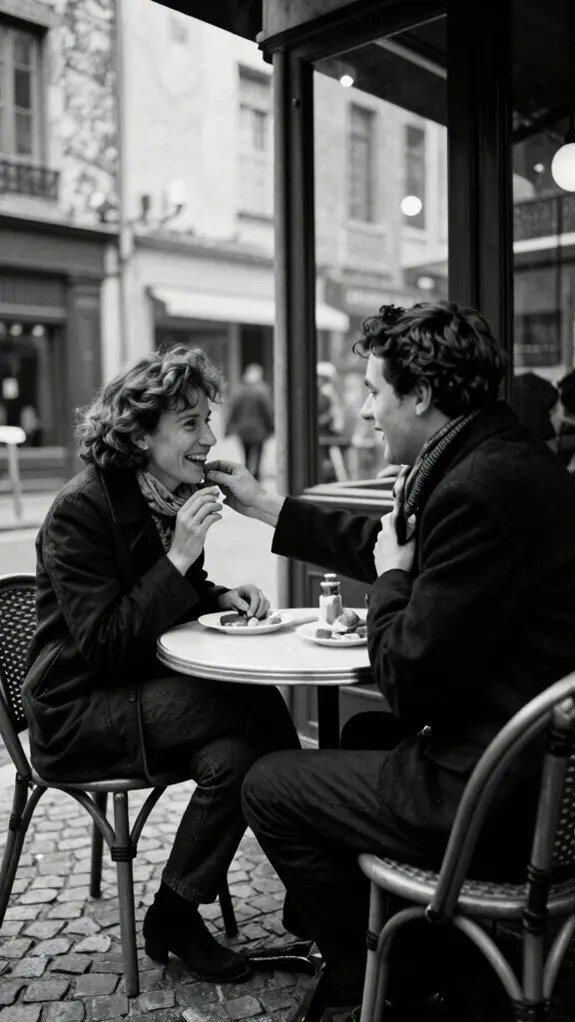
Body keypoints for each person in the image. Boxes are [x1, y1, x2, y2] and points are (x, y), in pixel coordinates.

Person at [206, 301, 575, 1019]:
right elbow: (386, 543)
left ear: (421, 394)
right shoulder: (498, 456)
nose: (366, 410)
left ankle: (381, 986)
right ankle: (399, 944)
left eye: (375, 391)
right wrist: (266, 505)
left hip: (498, 799)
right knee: (360, 736)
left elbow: (406, 678)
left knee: (268, 783)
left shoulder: (476, 487)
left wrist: (393, 582)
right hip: (530, 770)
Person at [22, 345, 300, 985]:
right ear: (142, 436)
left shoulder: (167, 495)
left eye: (208, 420)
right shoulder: (79, 510)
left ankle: (173, 914)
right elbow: (105, 643)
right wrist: (178, 558)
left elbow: (176, 596)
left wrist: (219, 596)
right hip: (78, 709)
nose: (210, 438)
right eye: (191, 424)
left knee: (234, 758)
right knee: (252, 702)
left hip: (136, 691)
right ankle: (317, 888)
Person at [225, 363, 274, 481]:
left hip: (243, 429)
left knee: (246, 453)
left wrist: (228, 428)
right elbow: (267, 411)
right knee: (258, 453)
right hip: (258, 429)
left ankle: (247, 473)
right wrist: (270, 426)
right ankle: (256, 475)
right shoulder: (262, 392)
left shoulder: (239, 392)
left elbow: (233, 410)